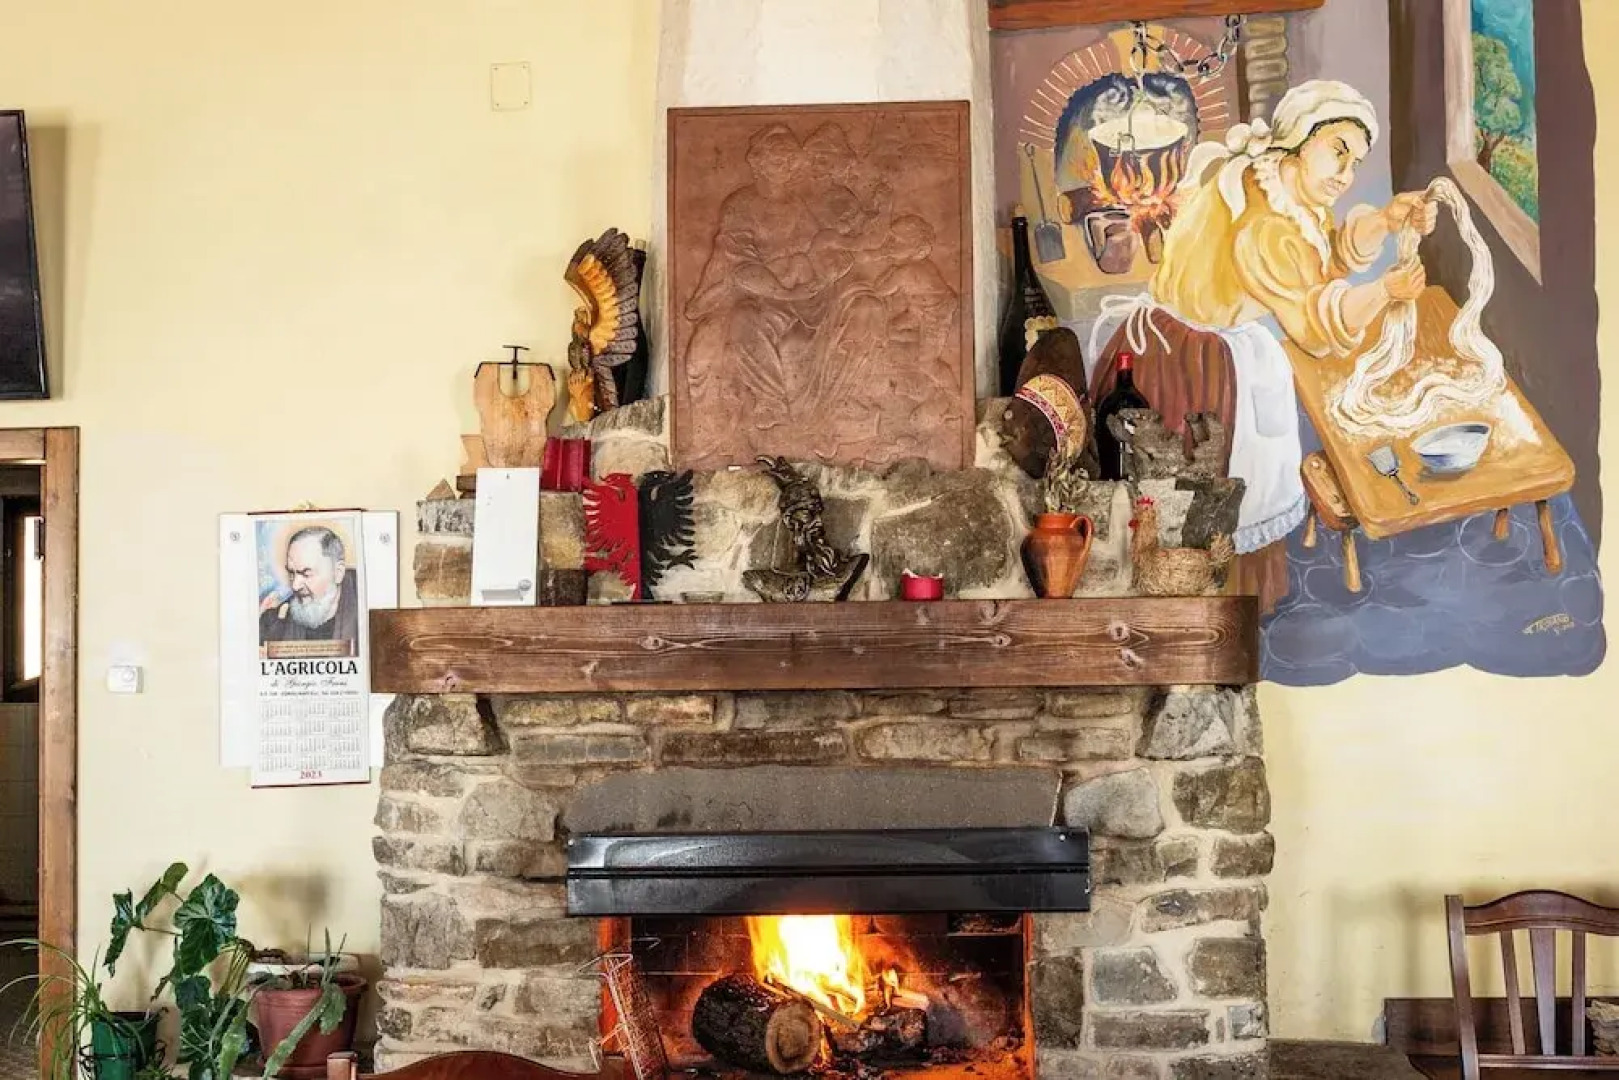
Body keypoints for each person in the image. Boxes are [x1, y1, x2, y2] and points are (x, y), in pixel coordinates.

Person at [1086, 79, 1439, 613]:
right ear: (1299, 139)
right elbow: (1316, 327)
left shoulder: (1274, 179)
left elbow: (1322, 260)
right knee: (1202, 495)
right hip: (1188, 366)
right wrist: (1384, 291)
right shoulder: (1265, 227)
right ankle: (1207, 610)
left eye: (1356, 164)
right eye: (1337, 153)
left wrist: (1386, 221)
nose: (1345, 176)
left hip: (1203, 343)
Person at [260, 526, 360, 653]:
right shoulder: (274, 621)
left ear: (338, 573)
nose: (295, 586)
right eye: (292, 573)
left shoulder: (365, 610)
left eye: (306, 574)